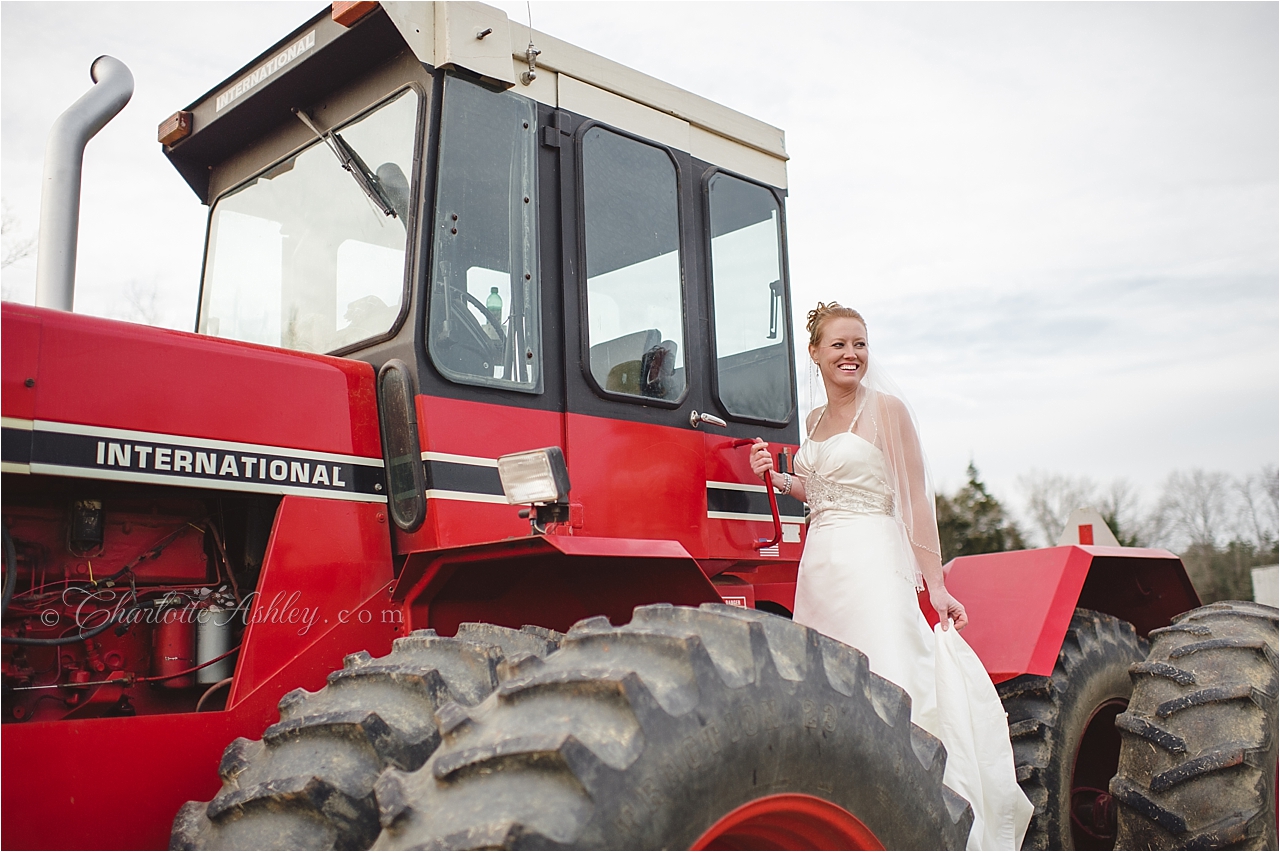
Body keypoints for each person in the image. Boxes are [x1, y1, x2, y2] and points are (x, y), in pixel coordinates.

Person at [750, 302, 1032, 851]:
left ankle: (923, 811)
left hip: (874, 559)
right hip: (822, 564)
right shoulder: (811, 422)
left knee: (888, 670)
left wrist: (936, 585)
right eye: (839, 345)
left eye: (860, 343)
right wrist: (780, 478)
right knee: (831, 682)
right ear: (815, 354)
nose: (851, 354)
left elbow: (913, 504)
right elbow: (823, 491)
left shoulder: (889, 411)